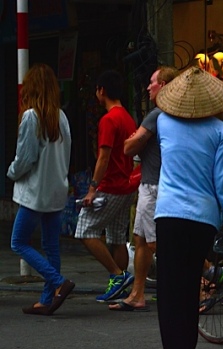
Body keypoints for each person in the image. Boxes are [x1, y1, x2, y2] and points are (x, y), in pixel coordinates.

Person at [153, 66, 223, 349]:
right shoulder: (219, 131)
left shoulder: (163, 122)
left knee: (170, 287)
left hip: (170, 213)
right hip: (203, 218)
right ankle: (186, 347)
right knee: (190, 283)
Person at [108, 65, 180, 312]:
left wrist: (131, 139)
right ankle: (137, 293)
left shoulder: (156, 115)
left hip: (154, 186)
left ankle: (203, 274)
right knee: (140, 239)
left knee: (154, 243)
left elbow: (129, 148)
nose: (149, 86)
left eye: (153, 82)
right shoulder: (174, 114)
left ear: (165, 86)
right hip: (156, 183)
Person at [8, 63, 75, 315]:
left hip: (35, 192)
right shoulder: (61, 116)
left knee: (18, 242)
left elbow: (25, 158)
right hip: (57, 190)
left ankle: (58, 283)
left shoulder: (31, 116)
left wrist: (11, 172)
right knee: (51, 245)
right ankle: (47, 299)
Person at [74, 70, 137, 302]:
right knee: (116, 237)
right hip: (127, 186)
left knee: (85, 231)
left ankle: (117, 274)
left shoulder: (109, 120)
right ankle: (121, 281)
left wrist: (92, 188)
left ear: (102, 90)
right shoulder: (128, 118)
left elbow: (103, 156)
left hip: (111, 186)